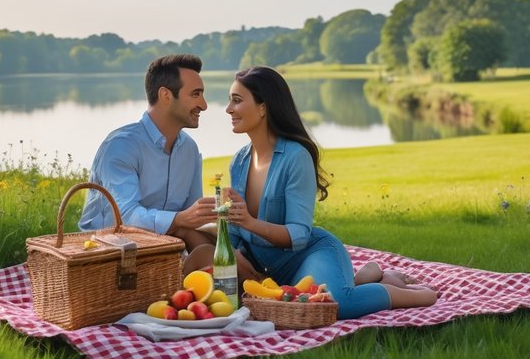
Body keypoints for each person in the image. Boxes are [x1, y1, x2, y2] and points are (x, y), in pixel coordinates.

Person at [188, 65, 438, 319]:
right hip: (266, 268)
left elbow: (298, 233)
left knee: (335, 303)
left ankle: (415, 294)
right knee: (287, 302)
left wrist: (250, 223)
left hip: (308, 254)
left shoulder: (295, 156)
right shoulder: (239, 162)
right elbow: (235, 233)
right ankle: (363, 278)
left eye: (237, 100)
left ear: (263, 107)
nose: (228, 109)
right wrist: (231, 238)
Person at [78, 54, 216, 251]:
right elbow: (126, 218)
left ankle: (256, 280)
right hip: (106, 254)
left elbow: (192, 219)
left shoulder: (189, 149)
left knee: (214, 251)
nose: (204, 105)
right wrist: (180, 219)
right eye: (195, 94)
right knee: (206, 251)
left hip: (164, 251)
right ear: (166, 95)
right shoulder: (121, 146)